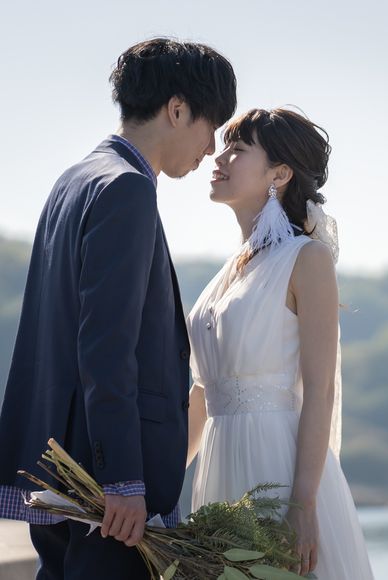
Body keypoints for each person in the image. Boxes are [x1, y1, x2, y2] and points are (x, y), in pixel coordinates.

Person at [0, 38, 236, 579]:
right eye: (211, 127)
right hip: (103, 490)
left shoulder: (73, 180)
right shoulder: (127, 188)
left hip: (57, 466)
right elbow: (106, 345)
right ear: (178, 109)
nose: (210, 149)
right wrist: (123, 479)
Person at [186, 108, 375, 578]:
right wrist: (152, 489)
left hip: (280, 474)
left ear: (280, 174)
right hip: (219, 472)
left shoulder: (307, 259)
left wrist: (303, 504)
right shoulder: (227, 274)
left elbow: (320, 391)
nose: (219, 158)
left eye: (237, 149)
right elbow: (202, 396)